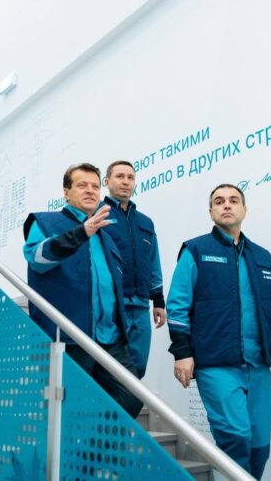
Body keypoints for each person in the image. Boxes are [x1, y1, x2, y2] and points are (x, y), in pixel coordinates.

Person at [167, 183, 271, 479]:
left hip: (258, 364)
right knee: (235, 436)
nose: (227, 205)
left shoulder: (262, 257)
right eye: (219, 201)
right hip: (216, 363)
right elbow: (177, 304)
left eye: (234, 200)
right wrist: (182, 352)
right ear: (211, 211)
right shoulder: (196, 250)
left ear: (244, 210)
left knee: (260, 443)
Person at [22, 162, 142, 418]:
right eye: (82, 185)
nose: (90, 191)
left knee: (132, 398)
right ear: (66, 192)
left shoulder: (106, 237)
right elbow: (37, 259)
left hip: (109, 339)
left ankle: (95, 442)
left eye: (95, 187)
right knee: (69, 410)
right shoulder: (45, 222)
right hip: (69, 338)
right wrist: (80, 233)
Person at [102, 160, 166, 379]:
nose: (126, 182)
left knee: (138, 367)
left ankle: (128, 401)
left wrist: (158, 301)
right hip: (111, 305)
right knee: (109, 367)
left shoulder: (145, 222)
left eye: (130, 177)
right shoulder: (97, 216)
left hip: (140, 306)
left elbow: (153, 262)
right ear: (107, 182)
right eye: (120, 176)